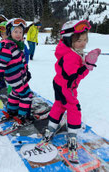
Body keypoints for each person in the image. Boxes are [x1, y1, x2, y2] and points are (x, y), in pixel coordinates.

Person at [37, 20, 101, 161]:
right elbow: (74, 77)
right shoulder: (71, 55)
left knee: (59, 105)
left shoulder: (67, 50)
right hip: (67, 87)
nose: (83, 43)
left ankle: (51, 128)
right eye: (79, 40)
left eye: (85, 40)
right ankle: (72, 135)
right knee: (73, 108)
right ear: (68, 39)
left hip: (59, 84)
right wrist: (88, 66)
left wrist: (84, 63)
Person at [0, 18, 32, 123]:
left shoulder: (16, 45)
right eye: (15, 31)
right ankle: (22, 116)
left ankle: (12, 110)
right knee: (26, 95)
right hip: (16, 77)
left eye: (20, 32)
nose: (18, 34)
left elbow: (21, 60)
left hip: (16, 77)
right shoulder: (8, 46)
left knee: (15, 93)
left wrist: (26, 71)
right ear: (9, 32)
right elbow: (1, 63)